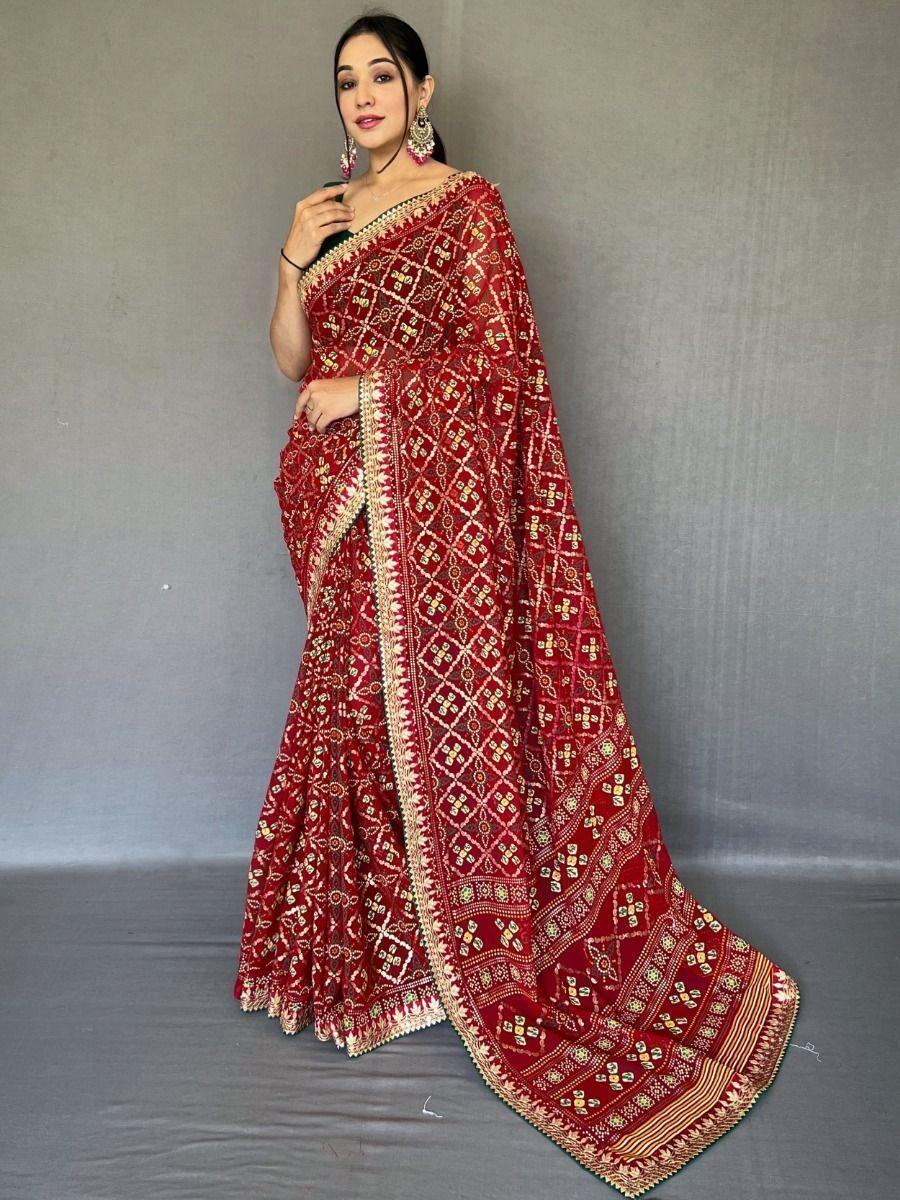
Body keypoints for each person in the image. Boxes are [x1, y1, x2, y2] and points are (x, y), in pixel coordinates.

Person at [233, 13, 800, 1197]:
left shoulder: (466, 209)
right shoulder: (324, 216)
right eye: (346, 81)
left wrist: (366, 393)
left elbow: (495, 370)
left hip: (422, 500)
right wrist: (290, 259)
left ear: (422, 87)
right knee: (355, 713)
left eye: (382, 75)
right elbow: (291, 364)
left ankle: (444, 948)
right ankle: (381, 960)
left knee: (392, 709)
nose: (363, 95)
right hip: (345, 508)